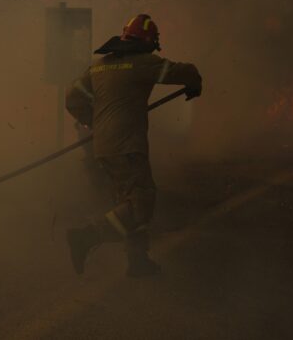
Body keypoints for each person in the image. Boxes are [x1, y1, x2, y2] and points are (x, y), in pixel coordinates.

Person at [64, 14, 202, 277]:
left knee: (126, 201)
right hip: (127, 144)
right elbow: (184, 71)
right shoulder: (143, 62)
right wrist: (195, 83)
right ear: (149, 42)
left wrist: (94, 121)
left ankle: (137, 261)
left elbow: (72, 100)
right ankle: (87, 237)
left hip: (103, 145)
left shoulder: (98, 66)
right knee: (141, 202)